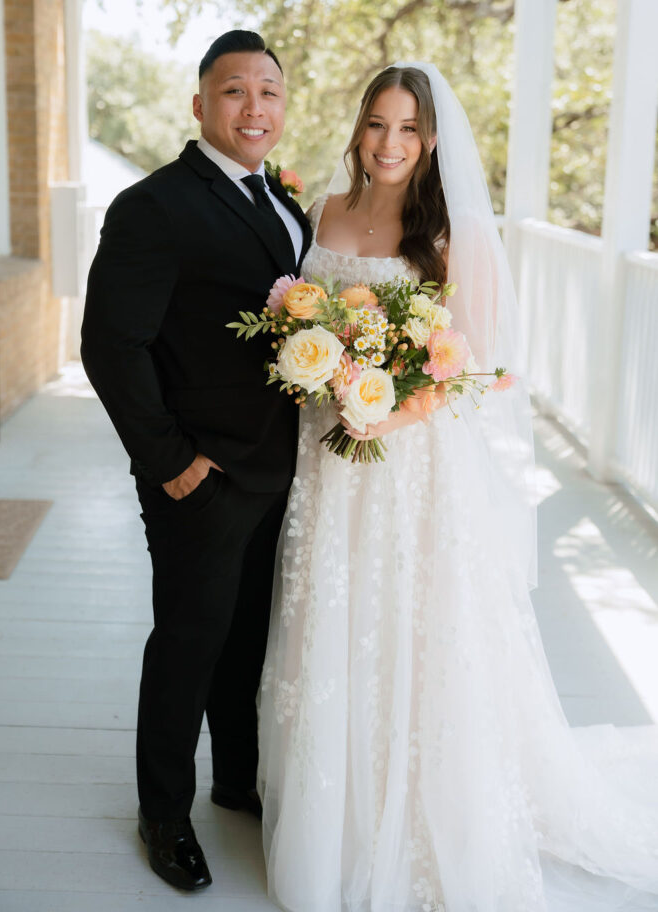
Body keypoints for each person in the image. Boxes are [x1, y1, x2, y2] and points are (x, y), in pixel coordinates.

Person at [258, 62, 658, 912]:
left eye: (408, 129)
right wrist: (319, 375)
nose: (389, 143)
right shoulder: (323, 212)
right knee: (331, 615)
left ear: (431, 140)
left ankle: (416, 812)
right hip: (326, 460)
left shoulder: (450, 234)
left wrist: (381, 414)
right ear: (359, 128)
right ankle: (332, 815)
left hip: (408, 467)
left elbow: (463, 364)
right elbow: (303, 324)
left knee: (410, 625)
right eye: (377, 124)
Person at [80, 29, 311, 892]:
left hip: (279, 467)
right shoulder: (153, 206)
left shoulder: (281, 201)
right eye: (234, 90)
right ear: (199, 104)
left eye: (268, 91)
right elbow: (112, 344)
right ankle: (164, 814)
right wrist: (171, 462)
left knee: (249, 635)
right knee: (188, 642)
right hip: (201, 476)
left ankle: (236, 779)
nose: (254, 107)